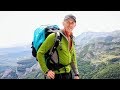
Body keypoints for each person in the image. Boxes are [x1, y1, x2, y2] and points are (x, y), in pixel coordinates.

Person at [37, 14, 80, 79]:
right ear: (63, 23)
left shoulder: (71, 38)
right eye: (67, 22)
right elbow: (40, 53)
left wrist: (76, 74)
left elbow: (73, 57)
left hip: (68, 74)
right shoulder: (54, 36)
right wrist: (46, 71)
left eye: (72, 23)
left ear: (75, 25)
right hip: (56, 75)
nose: (70, 25)